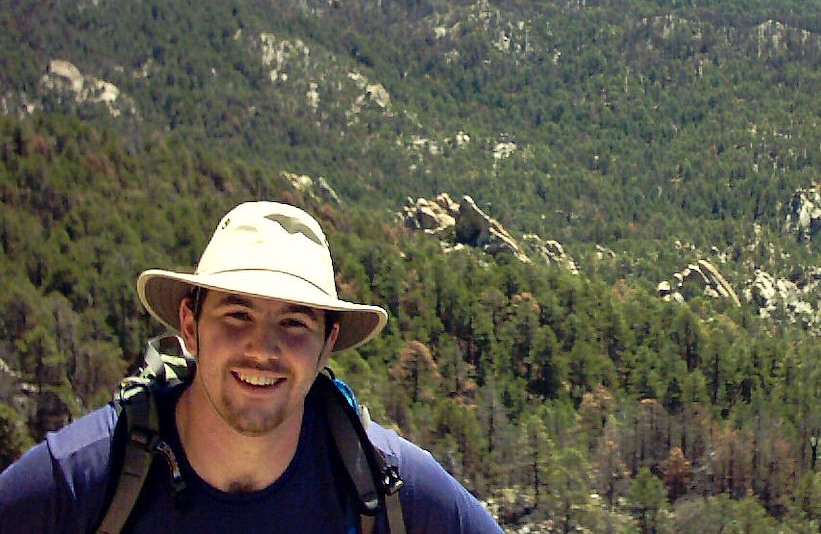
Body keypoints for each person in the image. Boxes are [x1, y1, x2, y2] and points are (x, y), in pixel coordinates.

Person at [0, 201, 505, 534]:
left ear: (326, 346)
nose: (263, 349)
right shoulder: (80, 482)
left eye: (294, 323)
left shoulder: (387, 485)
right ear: (190, 326)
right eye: (237, 315)